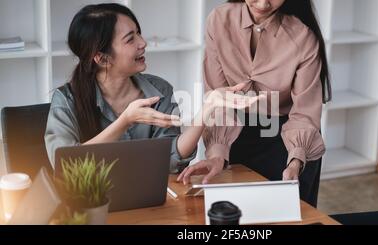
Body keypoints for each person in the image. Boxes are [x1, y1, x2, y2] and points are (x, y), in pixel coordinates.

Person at [44, 3, 261, 173]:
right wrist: (125, 120)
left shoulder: (159, 89)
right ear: (101, 58)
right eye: (130, 39)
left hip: (148, 199)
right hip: (92, 206)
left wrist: (207, 108)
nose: (143, 42)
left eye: (138, 33)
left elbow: (171, 159)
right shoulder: (66, 100)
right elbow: (65, 165)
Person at [178, 0, 331, 207]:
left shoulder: (303, 37)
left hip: (289, 137)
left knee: (287, 215)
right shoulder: (219, 20)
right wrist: (217, 153)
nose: (262, 3)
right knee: (236, 216)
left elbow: (304, 112)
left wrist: (295, 161)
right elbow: (218, 97)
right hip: (234, 132)